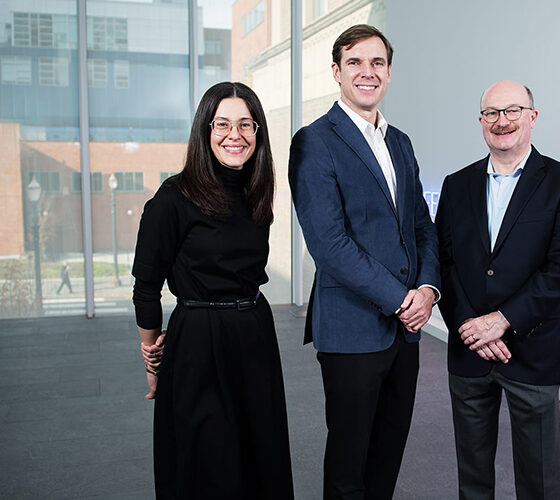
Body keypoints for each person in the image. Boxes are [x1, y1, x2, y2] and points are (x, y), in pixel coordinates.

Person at [288, 24, 439, 499]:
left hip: (405, 330)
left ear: (389, 73)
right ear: (336, 72)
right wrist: (400, 299)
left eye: (377, 63)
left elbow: (421, 225)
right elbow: (329, 243)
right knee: (349, 463)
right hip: (352, 329)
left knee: (389, 453)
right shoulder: (315, 141)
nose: (367, 72)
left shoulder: (401, 143)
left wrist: (429, 290)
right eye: (355, 62)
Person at [132, 82, 293, 499]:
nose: (234, 135)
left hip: (254, 334)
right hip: (198, 341)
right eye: (222, 124)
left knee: (261, 455)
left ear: (258, 133)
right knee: (206, 463)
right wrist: (152, 360)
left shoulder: (256, 193)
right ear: (205, 130)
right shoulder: (173, 198)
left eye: (245, 124)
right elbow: (146, 287)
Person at [435, 80, 560, 500]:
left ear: (532, 117)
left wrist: (500, 322)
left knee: (539, 482)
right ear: (481, 121)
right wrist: (470, 326)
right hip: (470, 351)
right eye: (491, 113)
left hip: (534, 349)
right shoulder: (456, 184)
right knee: (473, 480)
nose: (501, 121)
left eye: (512, 111)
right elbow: (443, 263)